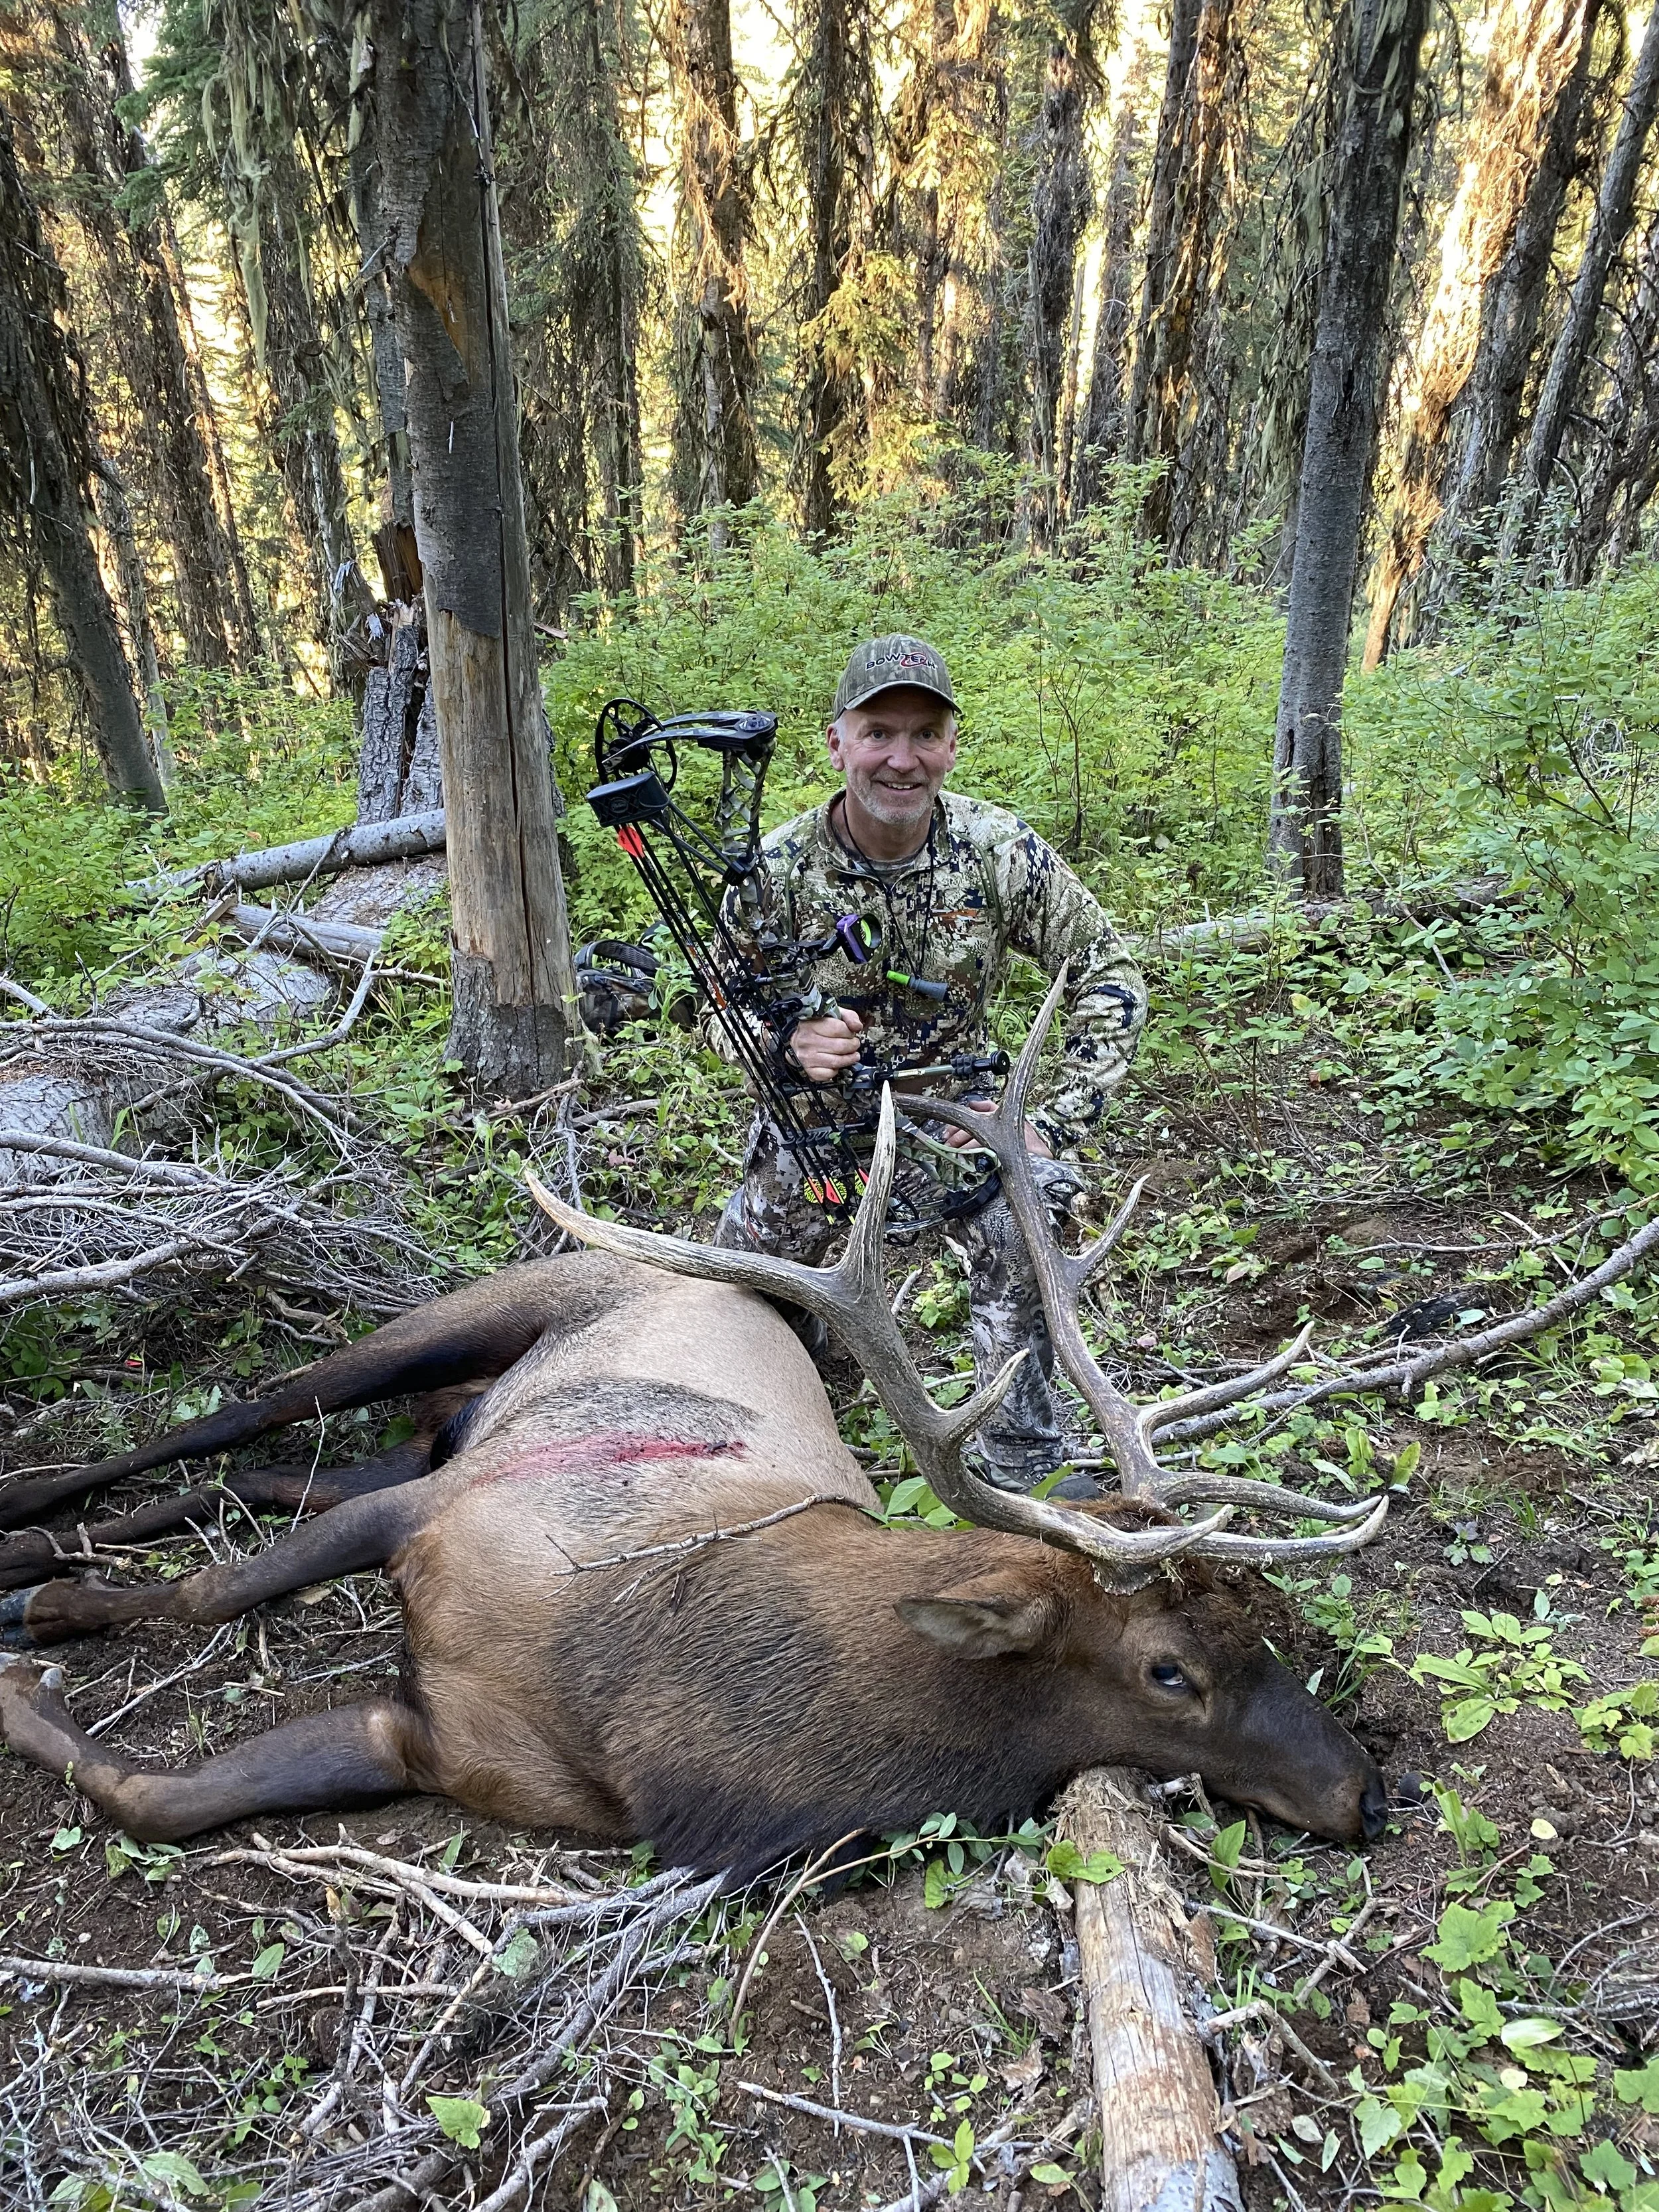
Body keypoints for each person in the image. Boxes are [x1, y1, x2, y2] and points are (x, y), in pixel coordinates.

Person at [711, 633, 1147, 1495]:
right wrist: (783, 1046)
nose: (901, 759)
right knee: (745, 1275)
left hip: (961, 1127)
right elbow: (717, 1005)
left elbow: (1110, 973)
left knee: (1028, 1218)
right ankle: (779, 1428)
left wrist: (1052, 1125)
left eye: (924, 734)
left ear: (952, 744)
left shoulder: (998, 850)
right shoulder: (778, 872)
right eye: (878, 733)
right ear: (837, 743)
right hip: (823, 1141)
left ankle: (1023, 1469)